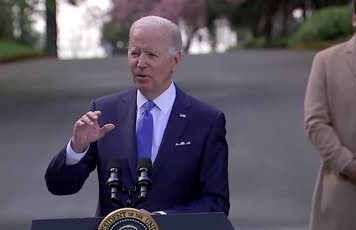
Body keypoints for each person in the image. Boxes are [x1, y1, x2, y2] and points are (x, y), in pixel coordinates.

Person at [44, 15, 229, 217]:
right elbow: (59, 186)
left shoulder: (206, 121)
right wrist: (76, 148)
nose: (140, 63)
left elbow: (216, 203)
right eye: (135, 53)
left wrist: (159, 221)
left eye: (151, 55)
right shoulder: (104, 112)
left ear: (174, 60)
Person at [304, 0, 356, 230]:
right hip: (345, 189)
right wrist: (347, 163)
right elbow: (316, 121)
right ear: (354, 17)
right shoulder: (326, 61)